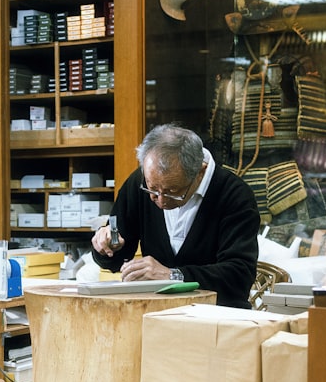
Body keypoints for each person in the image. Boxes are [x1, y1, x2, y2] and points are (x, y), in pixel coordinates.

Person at [91, 123, 260, 309]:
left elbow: (239, 277)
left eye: (173, 191)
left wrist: (173, 275)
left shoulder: (234, 195)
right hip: (158, 313)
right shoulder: (140, 183)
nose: (161, 201)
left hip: (218, 315)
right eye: (153, 190)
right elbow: (116, 261)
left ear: (200, 172)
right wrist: (105, 246)